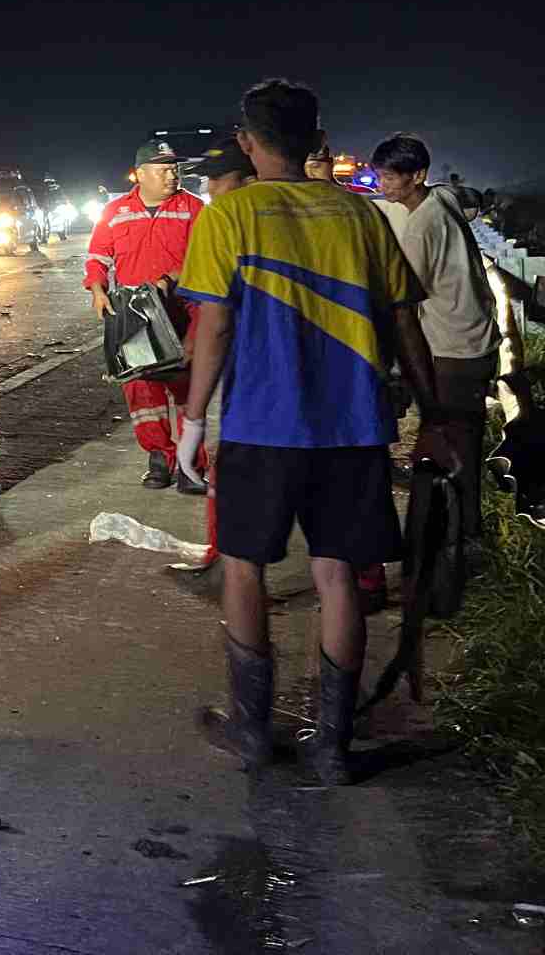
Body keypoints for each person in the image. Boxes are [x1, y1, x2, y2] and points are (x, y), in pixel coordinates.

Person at [176, 79, 449, 785]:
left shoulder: (230, 216)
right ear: (315, 141)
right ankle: (332, 746)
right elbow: (405, 325)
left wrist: (192, 418)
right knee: (337, 578)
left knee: (244, 569)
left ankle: (252, 733)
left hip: (262, 427)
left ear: (247, 140)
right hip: (352, 428)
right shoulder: (361, 218)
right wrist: (436, 417)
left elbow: (214, 323)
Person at [370, 134, 500, 548]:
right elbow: (464, 195)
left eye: (390, 178)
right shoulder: (440, 199)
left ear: (417, 175)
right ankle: (462, 532)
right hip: (478, 341)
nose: (383, 187)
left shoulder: (421, 230)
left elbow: (401, 304)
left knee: (452, 447)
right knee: (465, 441)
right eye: (380, 177)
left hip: (451, 351)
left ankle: (463, 539)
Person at [85, 140, 208, 491]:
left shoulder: (193, 208)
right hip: (135, 316)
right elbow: (97, 257)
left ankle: (191, 466)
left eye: (174, 168)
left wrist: (172, 279)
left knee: (187, 392)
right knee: (141, 390)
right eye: (163, 169)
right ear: (140, 175)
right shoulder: (115, 211)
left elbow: (204, 258)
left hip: (182, 313)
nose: (173, 175)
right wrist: (96, 288)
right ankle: (159, 458)